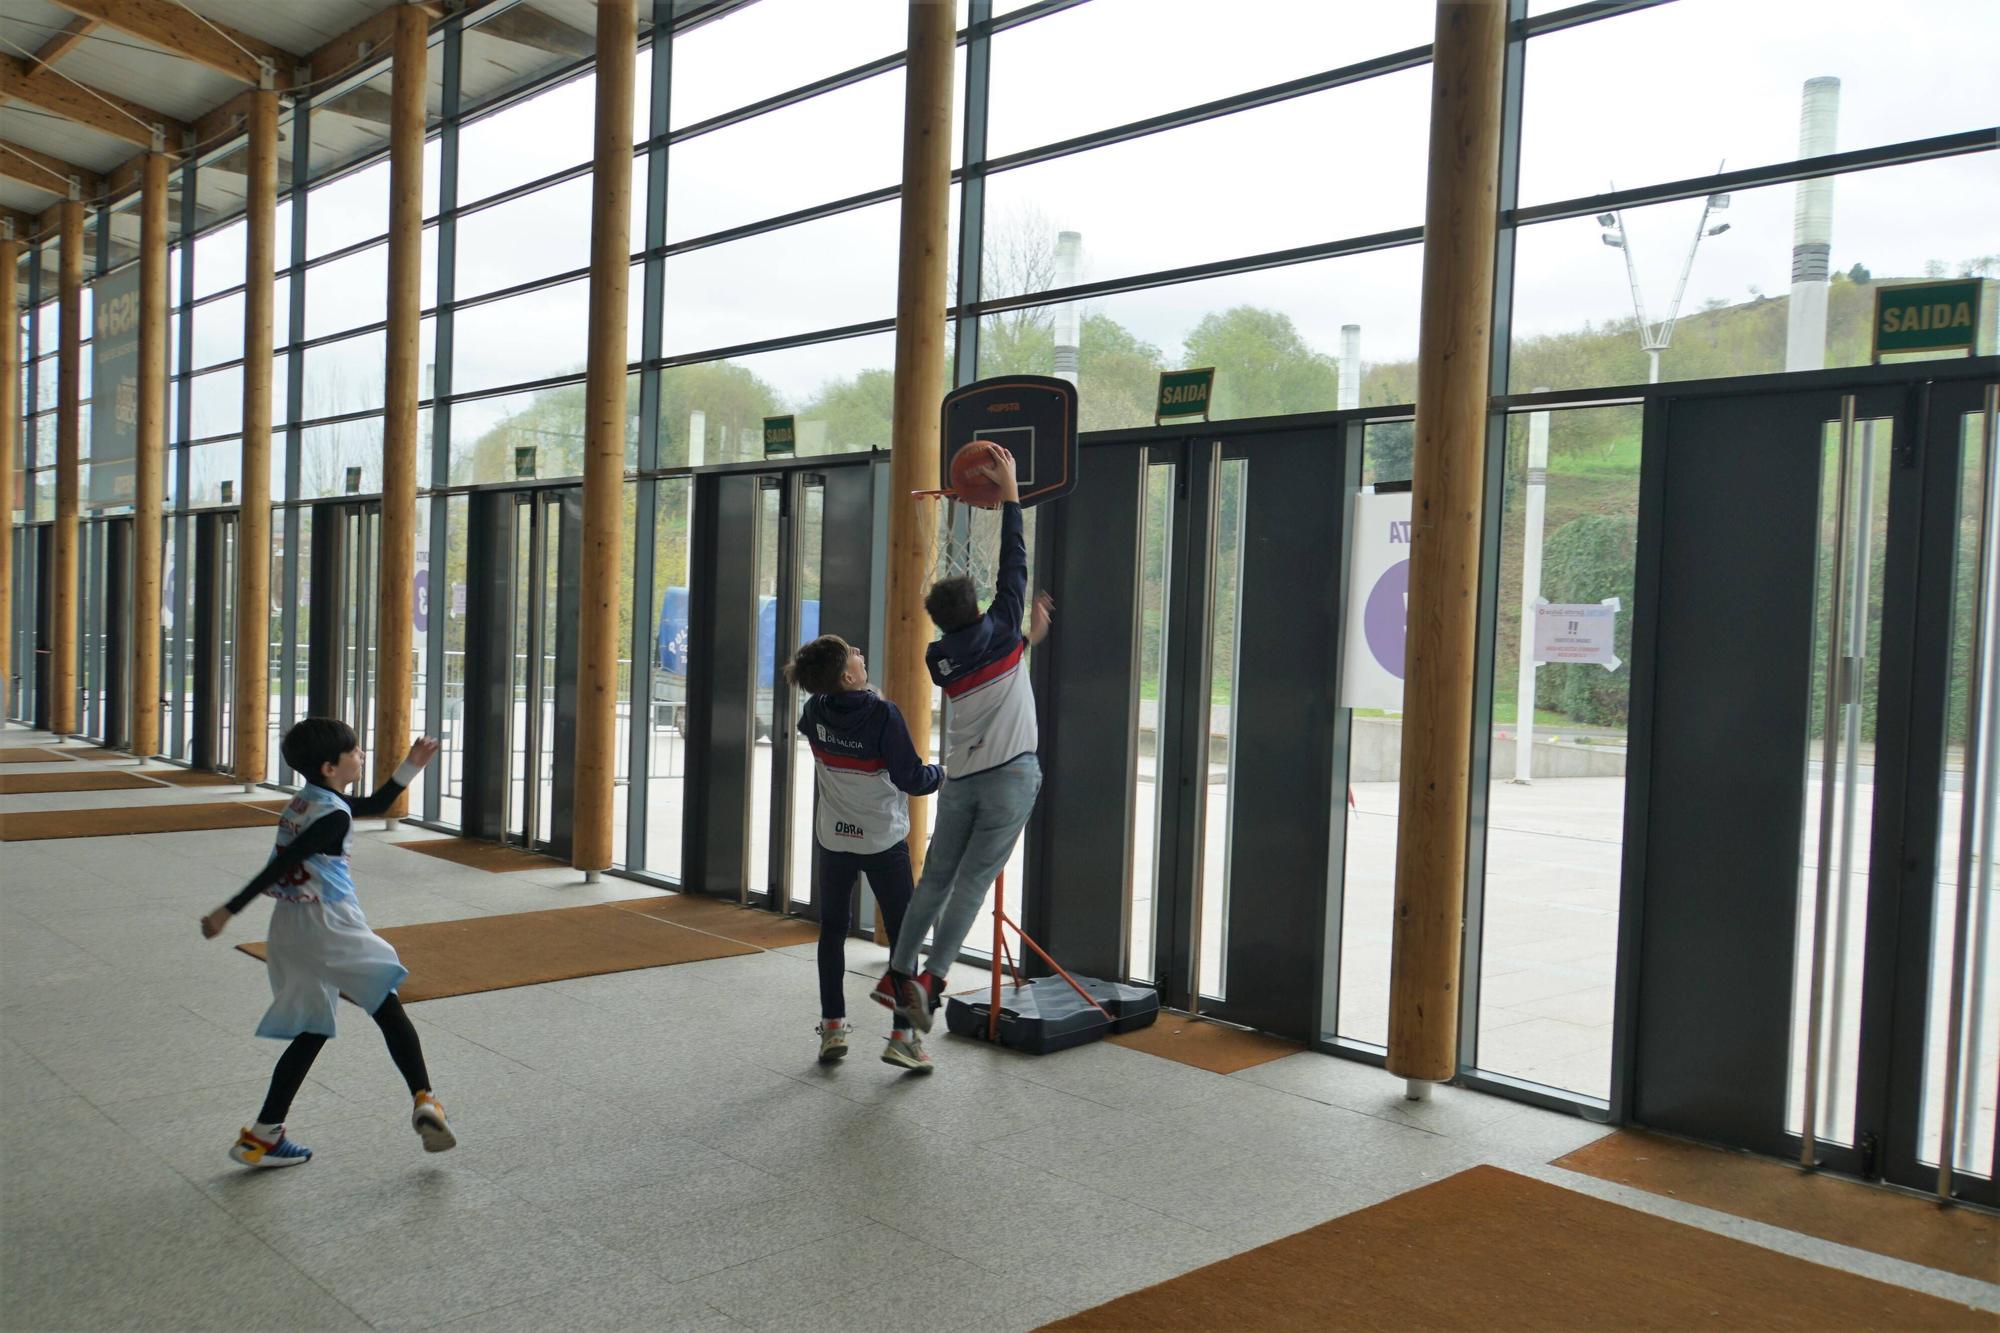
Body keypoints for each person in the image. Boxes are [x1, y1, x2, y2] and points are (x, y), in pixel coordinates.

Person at [200, 719, 453, 1168]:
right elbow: (285, 863)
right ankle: (425, 1099)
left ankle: (263, 1137)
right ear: (329, 765)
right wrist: (228, 910)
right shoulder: (333, 814)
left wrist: (410, 767)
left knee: (313, 1029)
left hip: (290, 929)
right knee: (386, 1002)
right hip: (328, 924)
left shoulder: (309, 800)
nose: (360, 755)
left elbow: (373, 804)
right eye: (353, 751)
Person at [877, 449, 1052, 1039]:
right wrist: (1011, 496)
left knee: (936, 880)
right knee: (973, 884)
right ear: (977, 607)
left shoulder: (939, 656)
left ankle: (898, 972)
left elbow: (997, 652)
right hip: (1010, 779)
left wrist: (1025, 641)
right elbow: (1015, 562)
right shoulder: (1002, 629)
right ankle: (931, 979)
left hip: (960, 784)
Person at [787, 633, 943, 1072]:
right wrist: (946, 773)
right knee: (904, 936)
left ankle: (832, 1027)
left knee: (832, 932)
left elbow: (816, 726)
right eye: (852, 653)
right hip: (881, 842)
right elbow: (913, 778)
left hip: (834, 839)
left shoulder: (814, 710)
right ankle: (902, 1038)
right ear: (849, 675)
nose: (859, 651)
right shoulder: (883, 715)